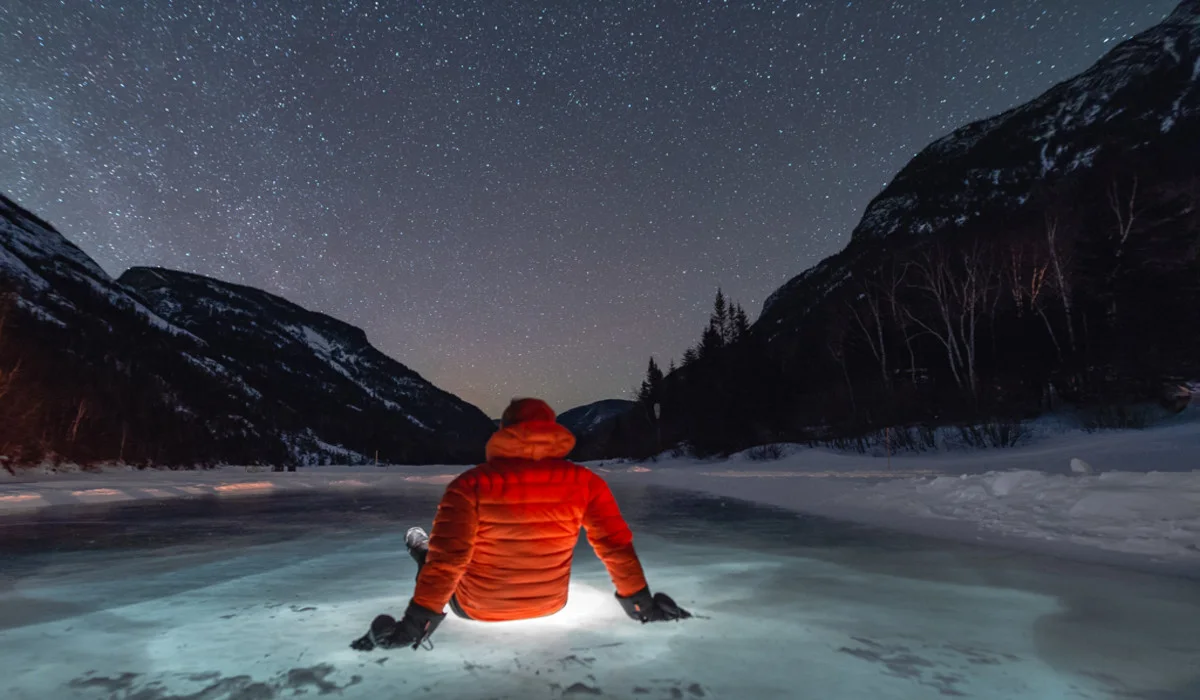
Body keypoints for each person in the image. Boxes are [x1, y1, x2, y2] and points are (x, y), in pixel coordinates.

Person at [351, 398, 690, 651]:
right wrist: (641, 605)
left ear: (504, 432)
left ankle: (415, 543)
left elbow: (448, 562)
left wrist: (413, 627)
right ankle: (418, 543)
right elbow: (615, 546)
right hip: (551, 604)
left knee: (430, 552)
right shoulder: (586, 483)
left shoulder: (470, 485)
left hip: (475, 608)